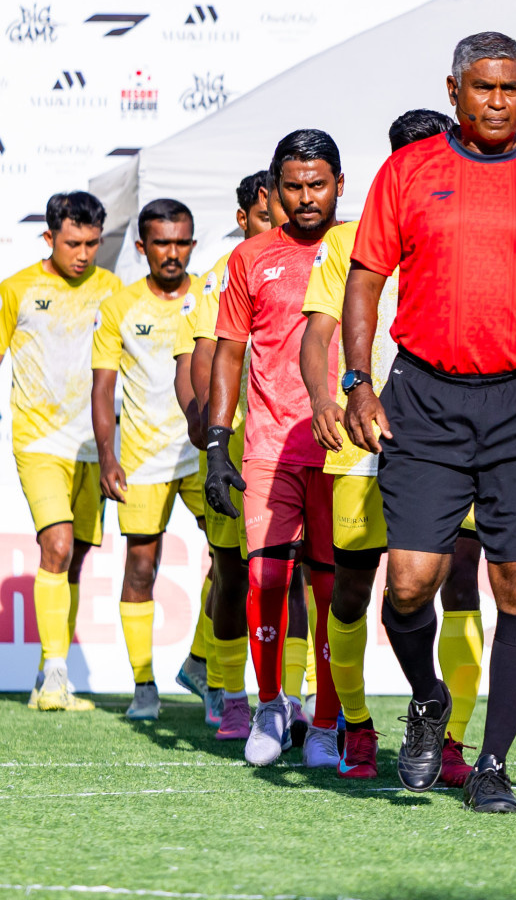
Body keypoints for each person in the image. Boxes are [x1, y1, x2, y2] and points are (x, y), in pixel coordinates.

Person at [343, 32, 516, 814]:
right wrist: (359, 383)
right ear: (454, 89)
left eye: (511, 88)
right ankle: (428, 699)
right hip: (425, 399)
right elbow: (364, 281)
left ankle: (493, 762)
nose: (497, 101)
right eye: (482, 88)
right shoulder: (410, 170)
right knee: (408, 582)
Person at [300, 107, 486, 784]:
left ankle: (453, 741)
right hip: (360, 443)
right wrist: (327, 399)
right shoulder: (350, 242)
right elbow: (317, 334)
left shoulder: (472, 234)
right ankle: (357, 726)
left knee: (460, 584)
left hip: (453, 439)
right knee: (350, 593)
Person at [206, 130, 345, 768]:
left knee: (332, 588)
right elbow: (229, 351)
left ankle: (325, 721)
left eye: (318, 184)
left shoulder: (364, 250)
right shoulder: (251, 258)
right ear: (274, 189)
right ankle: (268, 704)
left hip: (346, 449)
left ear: (339, 185)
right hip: (267, 442)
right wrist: (215, 444)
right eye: (293, 185)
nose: (307, 197)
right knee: (265, 575)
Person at [172, 170, 283, 737]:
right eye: (266, 216)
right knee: (231, 574)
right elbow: (201, 355)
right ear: (245, 219)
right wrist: (205, 424)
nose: (278, 224)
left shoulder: (310, 263)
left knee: (291, 577)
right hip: (233, 445)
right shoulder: (220, 277)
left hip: (287, 445)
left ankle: (293, 698)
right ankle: (227, 691)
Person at [4, 192, 120, 712]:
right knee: (56, 546)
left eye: (93, 243)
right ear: (49, 237)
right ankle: (55, 677)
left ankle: (48, 674)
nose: (84, 254)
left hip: (94, 446)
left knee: (72, 563)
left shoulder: (112, 289)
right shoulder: (17, 289)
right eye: (73, 243)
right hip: (38, 441)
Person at [91, 199, 203, 721]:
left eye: (181, 242)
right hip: (140, 456)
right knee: (141, 564)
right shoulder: (119, 307)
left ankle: (205, 664)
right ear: (142, 248)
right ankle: (143, 685)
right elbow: (102, 387)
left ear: (193, 245)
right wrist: (108, 457)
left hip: (202, 450)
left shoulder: (208, 293)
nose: (173, 253)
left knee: (235, 562)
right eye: (162, 242)